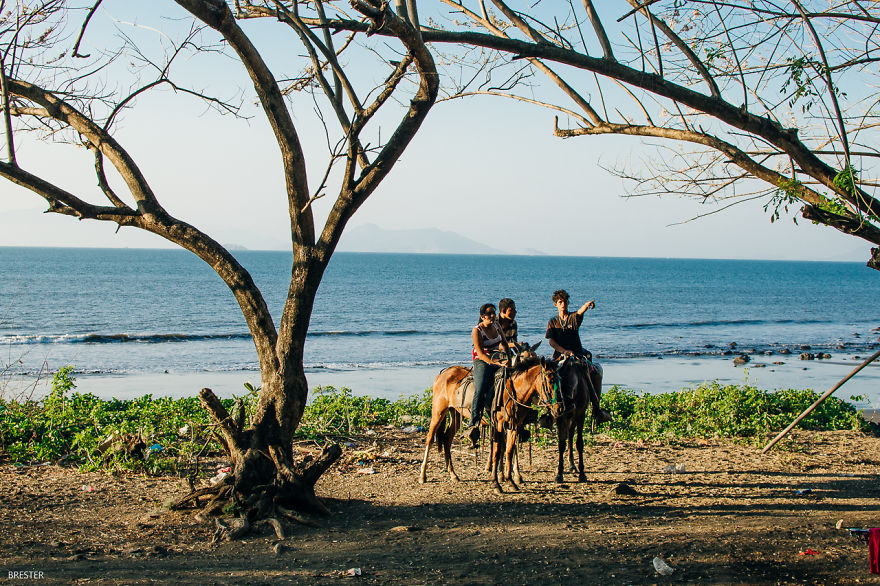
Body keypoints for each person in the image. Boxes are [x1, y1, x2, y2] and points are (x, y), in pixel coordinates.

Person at [545, 289, 612, 424]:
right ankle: (548, 412)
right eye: (560, 302)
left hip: (577, 354)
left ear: (568, 303)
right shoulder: (552, 322)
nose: (563, 304)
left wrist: (586, 305)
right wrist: (564, 351)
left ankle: (596, 409)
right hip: (559, 356)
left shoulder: (573, 318)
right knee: (549, 377)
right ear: (555, 304)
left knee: (595, 373)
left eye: (565, 302)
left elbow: (580, 312)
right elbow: (551, 341)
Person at [464, 303, 510, 445]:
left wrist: (509, 359)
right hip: (483, 360)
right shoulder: (477, 330)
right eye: (489, 313)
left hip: (498, 357)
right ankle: (473, 422)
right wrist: (496, 363)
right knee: (481, 387)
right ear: (482, 316)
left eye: (493, 313)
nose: (492, 316)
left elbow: (505, 343)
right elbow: (480, 353)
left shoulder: (497, 326)